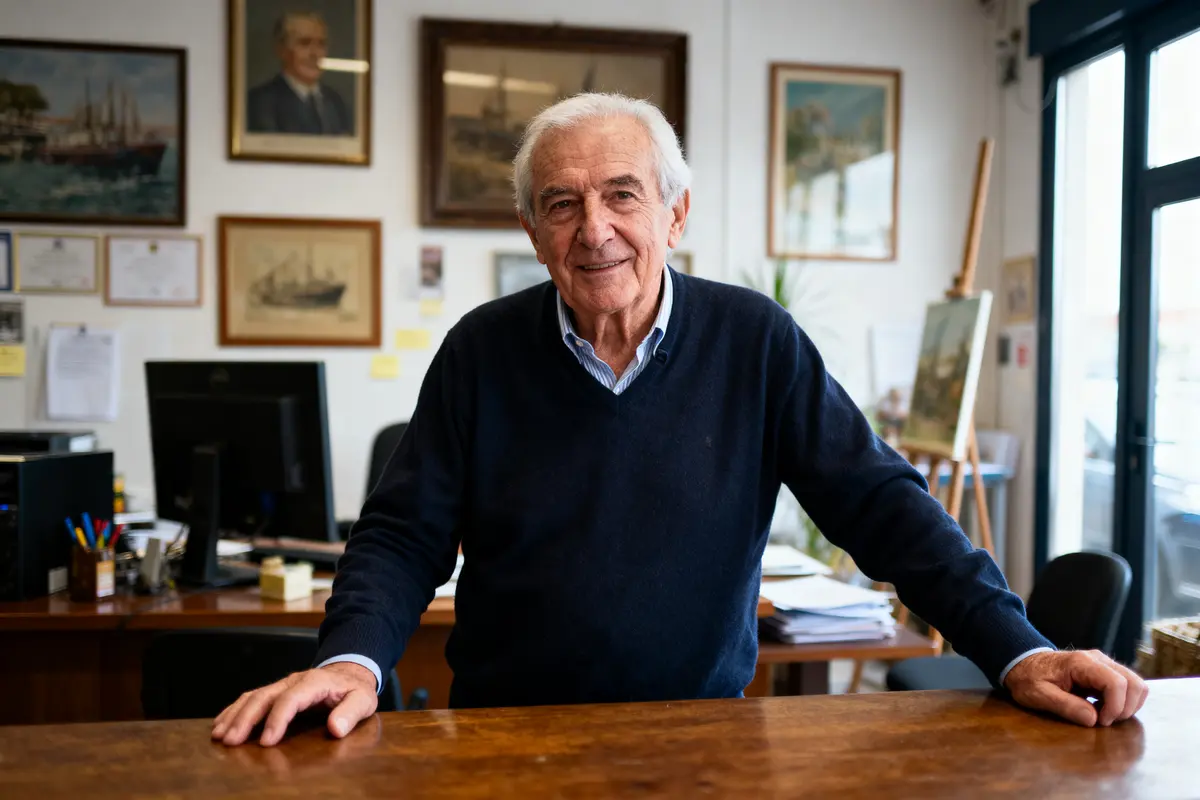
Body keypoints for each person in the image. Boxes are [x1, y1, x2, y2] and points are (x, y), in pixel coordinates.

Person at [213, 93, 1148, 747]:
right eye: (562, 204)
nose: (595, 229)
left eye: (623, 194)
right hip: (501, 736)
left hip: (704, 734)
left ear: (675, 211)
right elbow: (401, 535)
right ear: (533, 234)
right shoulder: (480, 352)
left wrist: (1016, 649)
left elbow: (881, 506)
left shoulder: (756, 342)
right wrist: (353, 661)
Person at [246, 11, 352, 136]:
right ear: (281, 50)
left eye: (321, 44)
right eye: (304, 43)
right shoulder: (260, 103)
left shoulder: (336, 102)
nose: (315, 54)